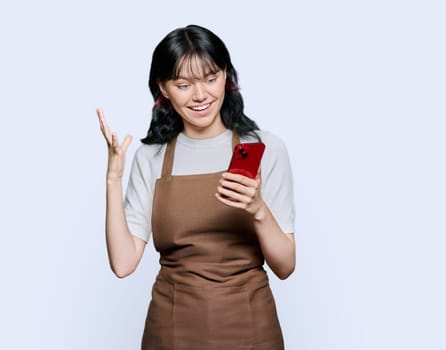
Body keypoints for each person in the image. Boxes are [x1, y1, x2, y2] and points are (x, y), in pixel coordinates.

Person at [96, 24, 296, 350]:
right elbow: (123, 263)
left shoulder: (263, 148)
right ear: (163, 88)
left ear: (227, 76)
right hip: (172, 330)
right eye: (184, 84)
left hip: (251, 327)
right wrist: (113, 179)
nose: (200, 95)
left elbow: (286, 266)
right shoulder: (151, 157)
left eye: (210, 78)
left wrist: (258, 209)